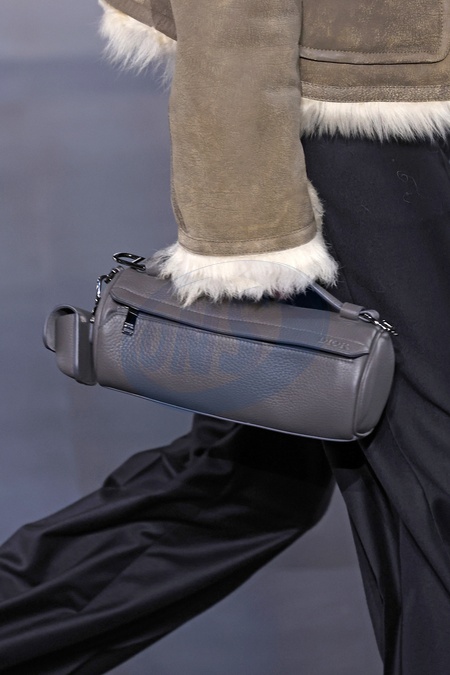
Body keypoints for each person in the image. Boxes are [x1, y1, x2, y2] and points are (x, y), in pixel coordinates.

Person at [0, 1, 449, 673]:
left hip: (391, 89)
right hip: (359, 107)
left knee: (254, 476)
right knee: (423, 475)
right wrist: (245, 227)